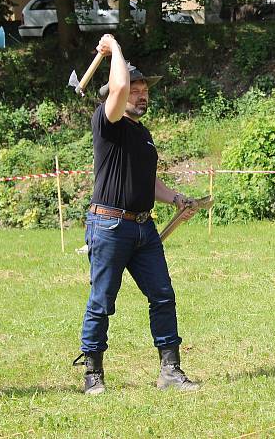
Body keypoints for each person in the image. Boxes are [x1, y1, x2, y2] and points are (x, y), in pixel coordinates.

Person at [74, 34, 199, 395]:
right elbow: (116, 89)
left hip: (144, 228)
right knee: (102, 301)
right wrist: (114, 48)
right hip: (109, 225)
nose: (142, 94)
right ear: (115, 93)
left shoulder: (142, 133)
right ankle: (93, 373)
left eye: (144, 89)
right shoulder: (106, 121)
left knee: (163, 295)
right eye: (135, 88)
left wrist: (176, 198)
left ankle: (170, 371)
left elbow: (149, 181)